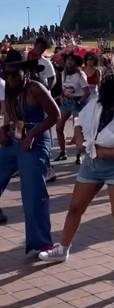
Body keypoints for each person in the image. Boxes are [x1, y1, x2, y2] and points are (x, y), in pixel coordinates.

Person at [37, 74, 114, 277]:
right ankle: (62, 249)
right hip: (92, 164)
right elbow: (78, 120)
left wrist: (104, 152)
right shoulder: (95, 105)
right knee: (76, 206)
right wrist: (78, 138)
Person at [0, 49, 58, 255]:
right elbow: (5, 111)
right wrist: (2, 131)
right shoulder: (9, 89)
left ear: (25, 72)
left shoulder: (35, 88)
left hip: (36, 139)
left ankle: (41, 243)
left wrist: (32, 134)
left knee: (32, 193)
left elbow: (55, 115)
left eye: (15, 73)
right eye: (7, 73)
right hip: (14, 138)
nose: (10, 77)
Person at [54, 51, 90, 163]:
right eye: (68, 60)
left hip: (77, 103)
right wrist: (61, 96)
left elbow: (87, 91)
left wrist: (79, 101)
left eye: (71, 60)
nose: (69, 62)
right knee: (59, 127)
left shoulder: (80, 75)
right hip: (66, 102)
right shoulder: (64, 73)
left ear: (76, 62)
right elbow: (64, 88)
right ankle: (63, 152)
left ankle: (79, 155)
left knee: (77, 129)